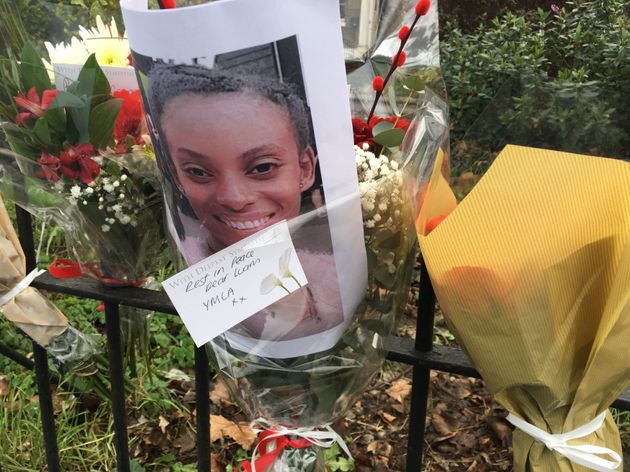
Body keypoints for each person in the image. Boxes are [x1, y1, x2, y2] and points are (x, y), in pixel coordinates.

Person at [148, 64, 344, 342]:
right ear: (176, 176)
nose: (235, 199)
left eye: (262, 167)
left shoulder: (337, 278)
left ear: (305, 168)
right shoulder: (185, 284)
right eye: (198, 172)